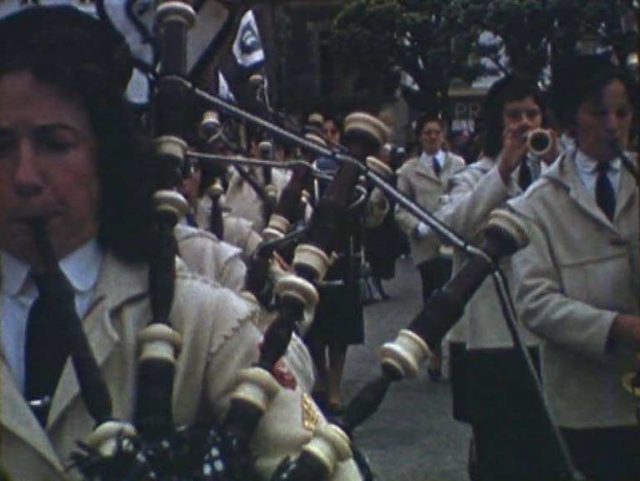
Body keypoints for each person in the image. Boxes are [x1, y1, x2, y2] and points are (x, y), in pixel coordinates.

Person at [0, 6, 361, 480]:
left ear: (106, 152)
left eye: (55, 143)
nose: (24, 176)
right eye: (0, 145)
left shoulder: (206, 322)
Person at [510, 55, 638, 481]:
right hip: (588, 405)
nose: (613, 125)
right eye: (598, 113)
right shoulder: (536, 205)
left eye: (622, 112)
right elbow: (535, 302)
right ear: (569, 119)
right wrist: (618, 327)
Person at [436, 74, 561, 480]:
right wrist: (505, 167)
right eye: (513, 115)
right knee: (499, 455)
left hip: (548, 333)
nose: (524, 123)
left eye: (531, 113)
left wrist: (555, 165)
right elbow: (453, 227)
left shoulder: (558, 174)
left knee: (551, 451)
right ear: (496, 122)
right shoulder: (475, 175)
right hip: (491, 338)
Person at [394, 114, 466, 379]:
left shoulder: (458, 164)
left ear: (444, 134)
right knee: (433, 299)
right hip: (426, 245)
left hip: (454, 240)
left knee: (458, 296)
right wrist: (417, 227)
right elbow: (399, 208)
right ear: (420, 137)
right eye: (427, 133)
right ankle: (434, 353)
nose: (432, 137)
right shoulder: (409, 171)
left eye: (436, 132)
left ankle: (459, 351)